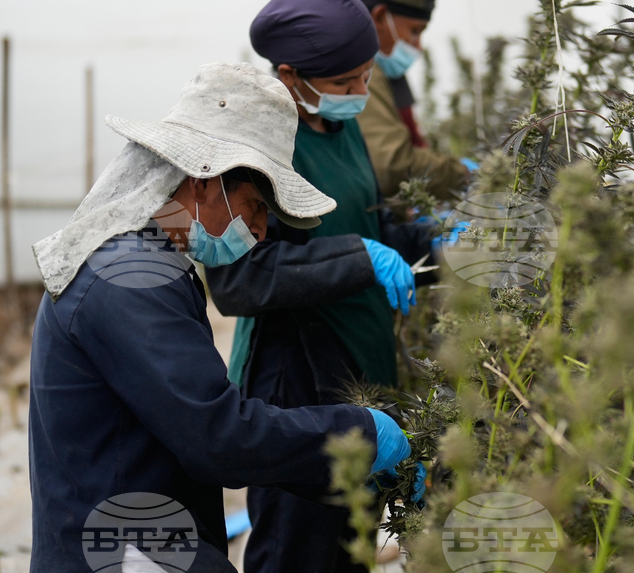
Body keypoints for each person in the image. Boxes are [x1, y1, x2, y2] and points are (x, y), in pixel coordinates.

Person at [28, 62, 418, 573]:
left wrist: (349, 464)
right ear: (202, 180)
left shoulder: (152, 263)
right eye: (256, 206)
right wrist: (363, 433)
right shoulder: (127, 280)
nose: (259, 230)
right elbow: (218, 438)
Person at [205, 0, 435, 573]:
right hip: (297, 379)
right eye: (344, 83)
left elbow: (364, 218)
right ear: (289, 77)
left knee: (353, 546)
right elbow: (238, 282)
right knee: (296, 551)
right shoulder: (257, 147)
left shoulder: (344, 123)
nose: (360, 92)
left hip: (360, 360)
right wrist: (361, 258)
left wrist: (424, 237)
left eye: (365, 76)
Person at [345, 0, 474, 201]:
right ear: (380, 17)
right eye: (415, 31)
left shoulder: (385, 71)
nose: (418, 45)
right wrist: (462, 173)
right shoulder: (358, 71)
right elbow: (393, 165)